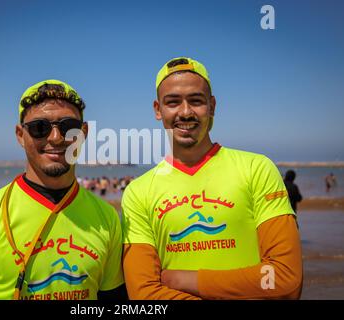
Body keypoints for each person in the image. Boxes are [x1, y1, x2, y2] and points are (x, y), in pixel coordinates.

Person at [121, 57, 303, 300]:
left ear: (212, 106)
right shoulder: (138, 192)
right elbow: (143, 294)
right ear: (158, 109)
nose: (185, 112)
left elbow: (285, 278)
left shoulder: (256, 168)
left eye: (196, 101)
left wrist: (185, 279)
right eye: (173, 102)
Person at [0, 80, 125, 300]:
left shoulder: (107, 219)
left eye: (68, 127)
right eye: (39, 128)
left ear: (83, 133)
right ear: (20, 135)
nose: (55, 138)